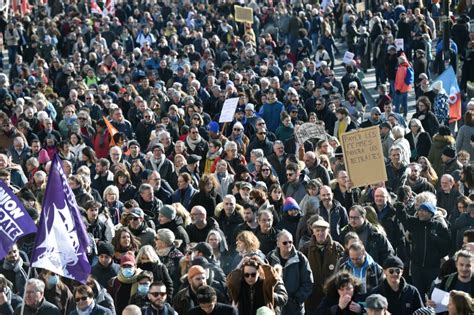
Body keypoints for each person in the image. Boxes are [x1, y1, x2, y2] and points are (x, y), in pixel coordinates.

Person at [395, 201, 451, 295]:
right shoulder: (415, 223)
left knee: (433, 294)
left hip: (433, 268)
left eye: (424, 210)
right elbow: (403, 217)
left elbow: (448, 245)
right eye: (419, 210)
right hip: (417, 268)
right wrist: (400, 204)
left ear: (431, 213)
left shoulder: (438, 226)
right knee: (418, 293)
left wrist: (436, 244)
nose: (420, 212)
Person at [301, 218, 345, 312]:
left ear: (328, 231)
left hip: (331, 295)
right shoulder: (305, 248)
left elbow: (344, 270)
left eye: (323, 230)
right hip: (311, 296)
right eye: (317, 230)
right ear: (313, 232)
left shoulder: (337, 248)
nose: (320, 233)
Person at [266, 230, 313, 315]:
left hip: (295, 309)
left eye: (290, 242)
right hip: (275, 307)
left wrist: (295, 300)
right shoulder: (270, 257)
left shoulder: (301, 259)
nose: (288, 245)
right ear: (278, 244)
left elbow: (308, 283)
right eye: (285, 243)